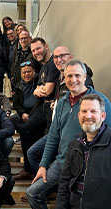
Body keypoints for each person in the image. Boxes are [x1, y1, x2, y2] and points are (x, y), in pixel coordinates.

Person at [23, 60, 111, 209]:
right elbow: (54, 136)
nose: (73, 79)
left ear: (84, 77)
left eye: (77, 75)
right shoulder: (63, 101)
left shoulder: (99, 100)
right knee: (33, 193)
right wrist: (42, 165)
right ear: (64, 79)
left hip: (89, 166)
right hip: (62, 162)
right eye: (69, 76)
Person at [43, 94, 111, 209]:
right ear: (78, 115)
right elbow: (65, 184)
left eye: (93, 111)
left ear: (103, 116)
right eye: (84, 111)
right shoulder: (75, 144)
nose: (88, 115)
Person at [26, 46, 96, 174]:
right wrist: (57, 103)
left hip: (73, 135)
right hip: (56, 127)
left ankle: (51, 185)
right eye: (56, 57)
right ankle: (48, 184)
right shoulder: (60, 77)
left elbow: (85, 99)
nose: (58, 60)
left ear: (71, 57)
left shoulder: (83, 80)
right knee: (33, 153)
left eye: (62, 56)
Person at [11, 62, 46, 181]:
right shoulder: (18, 86)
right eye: (24, 72)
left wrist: (30, 116)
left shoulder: (40, 82)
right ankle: (26, 135)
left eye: (29, 71)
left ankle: (29, 169)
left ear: (34, 72)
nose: (26, 74)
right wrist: (22, 113)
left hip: (38, 113)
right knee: (12, 120)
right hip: (25, 114)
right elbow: (15, 103)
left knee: (26, 131)